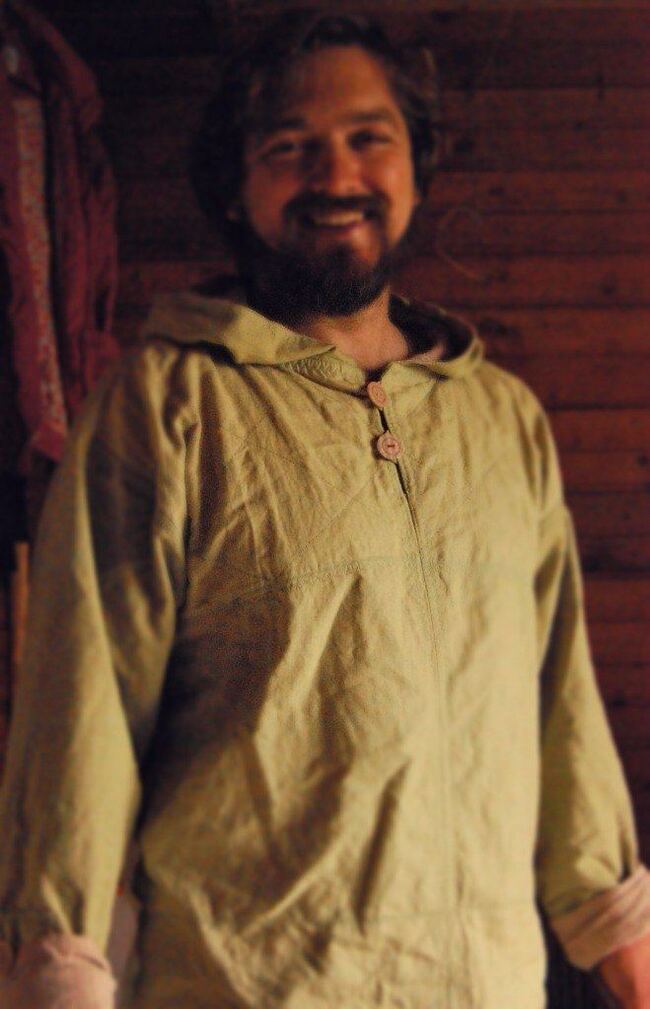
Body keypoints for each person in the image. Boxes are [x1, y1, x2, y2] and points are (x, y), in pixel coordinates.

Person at [0, 12, 649, 1009]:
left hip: (486, 984)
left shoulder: (501, 418)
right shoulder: (166, 405)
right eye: (287, 146)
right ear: (233, 186)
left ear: (416, 169)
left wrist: (615, 927)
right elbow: (82, 711)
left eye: (367, 137)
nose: (334, 172)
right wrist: (58, 962)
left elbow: (558, 695)